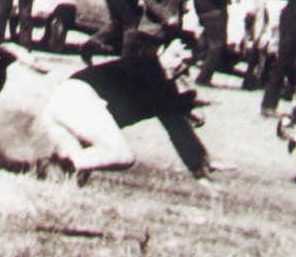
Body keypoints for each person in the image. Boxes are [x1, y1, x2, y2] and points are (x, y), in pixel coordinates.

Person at [38, 38, 214, 188]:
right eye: (175, 56)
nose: (179, 64)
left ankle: (53, 163)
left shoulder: (158, 81)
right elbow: (171, 109)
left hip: (66, 102)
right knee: (122, 155)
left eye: (185, 62)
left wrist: (198, 166)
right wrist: (189, 103)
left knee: (75, 178)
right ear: (160, 51)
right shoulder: (148, 67)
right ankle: (62, 161)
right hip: (78, 99)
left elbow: (176, 123)